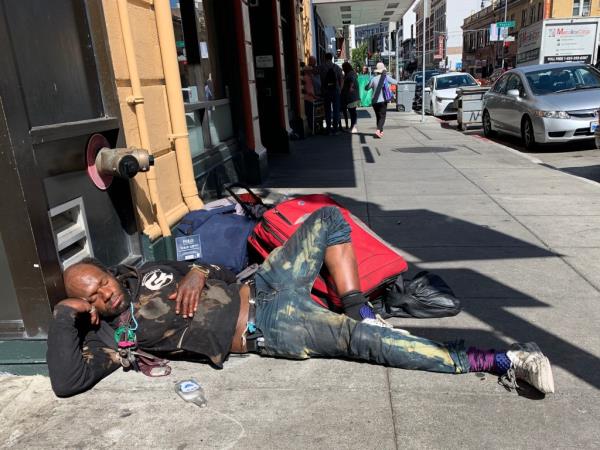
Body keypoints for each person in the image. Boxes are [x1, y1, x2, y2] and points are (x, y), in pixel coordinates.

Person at [47, 207, 555, 397]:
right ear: (85, 307)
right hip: (270, 326)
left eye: (103, 282)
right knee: (373, 345)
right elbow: (67, 382)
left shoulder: (140, 275)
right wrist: (63, 315)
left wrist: (199, 273)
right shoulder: (111, 339)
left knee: (327, 219)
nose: (106, 293)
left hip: (263, 283)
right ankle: (503, 359)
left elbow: (219, 267)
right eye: (92, 297)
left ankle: (357, 304)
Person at [366, 62, 397, 138]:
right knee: (382, 116)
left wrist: (370, 82)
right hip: (383, 101)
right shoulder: (385, 77)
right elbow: (396, 82)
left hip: (374, 101)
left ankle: (380, 131)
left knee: (378, 116)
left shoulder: (373, 79)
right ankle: (378, 130)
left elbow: (367, 88)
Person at [319, 53, 344, 135]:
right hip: (335, 90)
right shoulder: (336, 67)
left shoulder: (321, 67)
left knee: (327, 110)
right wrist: (340, 89)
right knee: (336, 110)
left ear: (325, 58)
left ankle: (328, 129)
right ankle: (336, 129)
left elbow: (314, 72)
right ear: (332, 58)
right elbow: (341, 78)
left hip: (326, 91)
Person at [340, 62, 360, 134]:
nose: (342, 68)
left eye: (343, 67)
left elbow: (352, 80)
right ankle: (352, 127)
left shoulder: (351, 73)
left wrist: (351, 87)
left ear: (346, 67)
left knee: (352, 112)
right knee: (352, 112)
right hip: (350, 96)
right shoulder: (350, 73)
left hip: (352, 96)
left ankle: (353, 127)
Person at [302, 56, 320, 134]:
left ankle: (313, 128)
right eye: (310, 71)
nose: (311, 71)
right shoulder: (307, 78)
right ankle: (312, 129)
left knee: (311, 115)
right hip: (309, 98)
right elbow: (308, 89)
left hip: (310, 98)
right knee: (310, 115)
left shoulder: (308, 77)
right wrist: (314, 96)